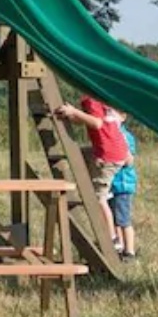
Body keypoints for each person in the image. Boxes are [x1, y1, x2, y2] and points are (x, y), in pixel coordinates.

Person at [54, 94, 130, 243]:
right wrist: (72, 115)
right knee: (78, 155)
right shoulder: (103, 99)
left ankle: (112, 238)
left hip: (107, 156)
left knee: (98, 198)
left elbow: (96, 123)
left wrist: (74, 112)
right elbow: (87, 120)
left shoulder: (91, 99)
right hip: (115, 151)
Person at [107, 109, 138, 261]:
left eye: (113, 114)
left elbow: (129, 161)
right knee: (114, 219)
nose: (110, 116)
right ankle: (119, 246)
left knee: (123, 220)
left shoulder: (124, 137)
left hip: (122, 185)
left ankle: (130, 251)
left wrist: (118, 148)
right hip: (112, 184)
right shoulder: (110, 134)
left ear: (123, 117)